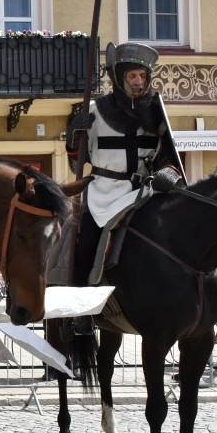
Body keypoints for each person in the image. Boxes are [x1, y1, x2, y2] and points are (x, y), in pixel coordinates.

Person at [66, 42, 183, 338]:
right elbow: (76, 159)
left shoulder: (156, 114)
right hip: (104, 191)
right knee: (86, 244)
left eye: (143, 77)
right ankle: (82, 310)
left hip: (144, 191)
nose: (139, 82)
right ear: (119, 78)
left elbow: (169, 155)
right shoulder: (94, 111)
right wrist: (74, 135)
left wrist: (169, 172)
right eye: (132, 76)